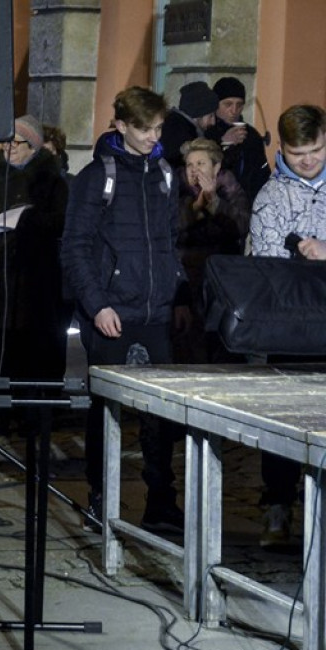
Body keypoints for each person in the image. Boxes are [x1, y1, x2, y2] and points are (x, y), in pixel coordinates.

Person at [61, 86, 189, 534]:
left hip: (155, 310)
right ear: (120, 125)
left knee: (162, 415)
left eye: (158, 128)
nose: (154, 137)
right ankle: (102, 498)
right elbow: (74, 248)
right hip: (112, 312)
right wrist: (97, 305)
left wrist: (178, 294)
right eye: (145, 129)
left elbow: (171, 240)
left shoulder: (166, 173)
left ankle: (160, 499)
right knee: (107, 412)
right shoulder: (97, 176)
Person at [248, 104, 326, 548]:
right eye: (298, 153)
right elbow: (265, 264)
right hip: (290, 329)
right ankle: (277, 508)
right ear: (283, 149)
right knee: (285, 425)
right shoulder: (270, 197)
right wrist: (300, 259)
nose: (309, 160)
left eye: (315, 150)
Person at [0, 115, 68, 421]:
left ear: (33, 145)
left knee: (35, 352)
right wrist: (3, 218)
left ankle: (34, 416)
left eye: (16, 142)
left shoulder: (51, 180)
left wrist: (26, 220)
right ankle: (1, 415)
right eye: (5, 141)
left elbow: (60, 220)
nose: (9, 147)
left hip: (35, 278)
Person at [174, 138, 250, 364]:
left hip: (222, 285)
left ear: (216, 168)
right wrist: (194, 208)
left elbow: (239, 226)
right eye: (190, 165)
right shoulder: (175, 192)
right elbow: (170, 231)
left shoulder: (231, 191)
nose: (195, 170)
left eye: (201, 163)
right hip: (186, 283)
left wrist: (214, 202)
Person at [206, 77, 271, 208]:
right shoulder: (208, 132)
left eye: (239, 104)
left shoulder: (251, 135)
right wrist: (223, 144)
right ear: (216, 104)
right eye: (228, 104)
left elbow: (262, 175)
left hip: (247, 208)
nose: (234, 110)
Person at [160, 81, 220, 169]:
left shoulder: (177, 125)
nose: (213, 122)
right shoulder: (181, 134)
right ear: (197, 114)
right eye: (210, 116)